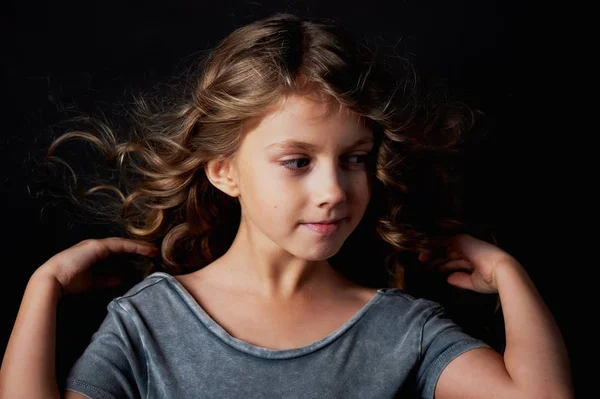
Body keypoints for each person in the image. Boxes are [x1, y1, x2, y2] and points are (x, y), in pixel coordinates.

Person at [0, 13, 573, 399]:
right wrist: (43, 286)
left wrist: (509, 275)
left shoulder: (399, 328)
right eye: (297, 161)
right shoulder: (151, 321)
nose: (334, 189)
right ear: (225, 171)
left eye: (354, 159)